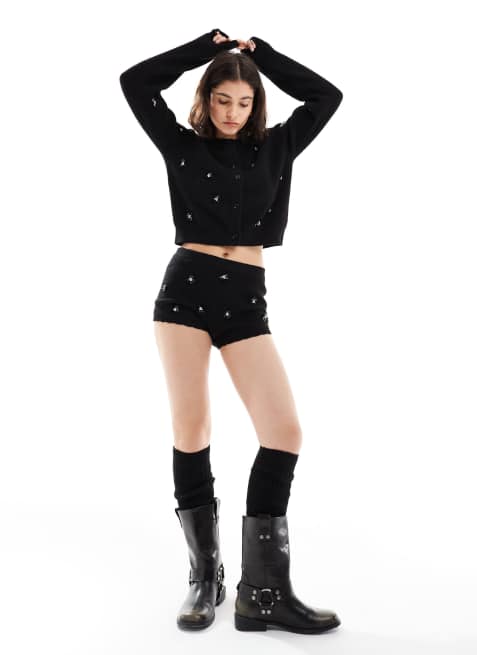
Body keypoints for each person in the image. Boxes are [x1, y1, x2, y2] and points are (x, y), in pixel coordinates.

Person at [119, 27, 343, 634]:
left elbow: (326, 97)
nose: (232, 112)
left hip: (245, 302)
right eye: (222, 100)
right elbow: (135, 82)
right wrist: (206, 49)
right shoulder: (180, 144)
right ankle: (204, 577)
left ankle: (263, 592)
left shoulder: (277, 146)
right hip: (185, 293)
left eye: (244, 102)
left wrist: (260, 57)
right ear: (206, 98)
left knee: (284, 432)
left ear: (256, 105)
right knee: (191, 429)